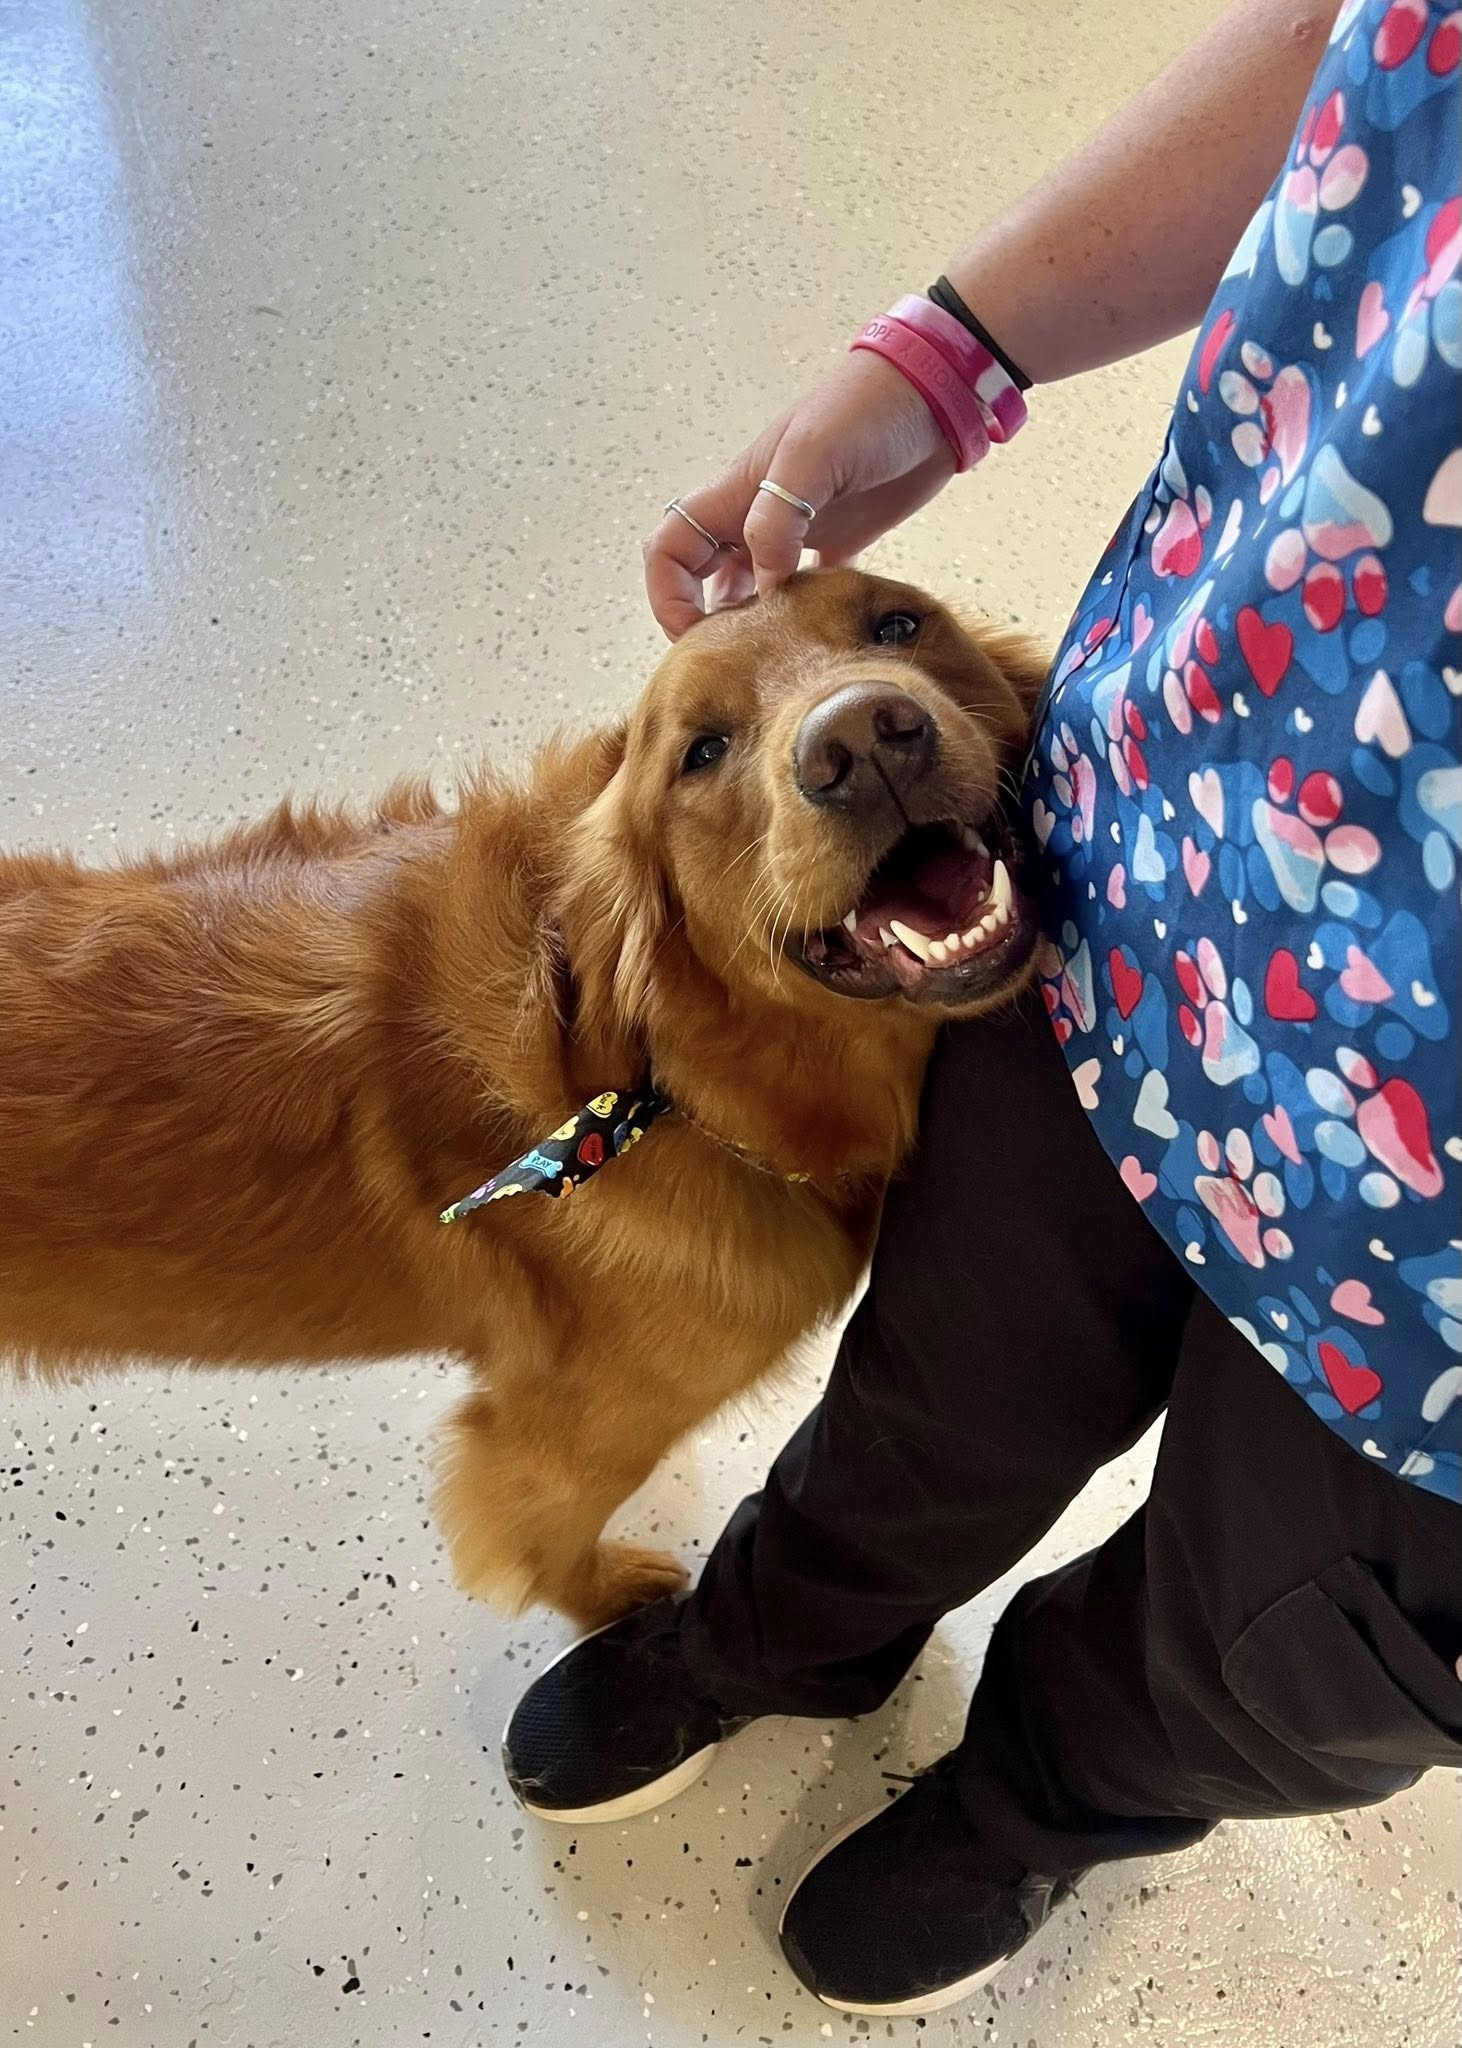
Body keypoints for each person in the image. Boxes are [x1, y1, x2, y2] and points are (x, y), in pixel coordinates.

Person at [504, 0, 1462, 2018]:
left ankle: (1035, 1799)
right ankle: (786, 1629)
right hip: (1175, 846)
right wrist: (942, 354)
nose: (851, 725)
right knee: (944, 1377)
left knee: (1273, 1645)